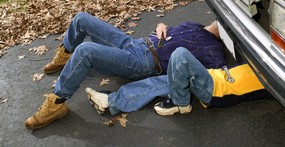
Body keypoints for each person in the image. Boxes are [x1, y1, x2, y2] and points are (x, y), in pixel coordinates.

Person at [25, 12, 227, 130]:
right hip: (136, 43)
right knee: (81, 18)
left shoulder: (214, 51)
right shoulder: (195, 25)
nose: (217, 18)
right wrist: (161, 24)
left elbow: (207, 80)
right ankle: (65, 53)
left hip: (143, 62)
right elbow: (167, 29)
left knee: (86, 51)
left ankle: (57, 103)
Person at [85, 47, 269, 116]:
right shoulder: (266, 59)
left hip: (216, 91)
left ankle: (180, 103)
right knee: (159, 82)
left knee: (180, 55)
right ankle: (111, 101)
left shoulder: (279, 82)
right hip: (211, 76)